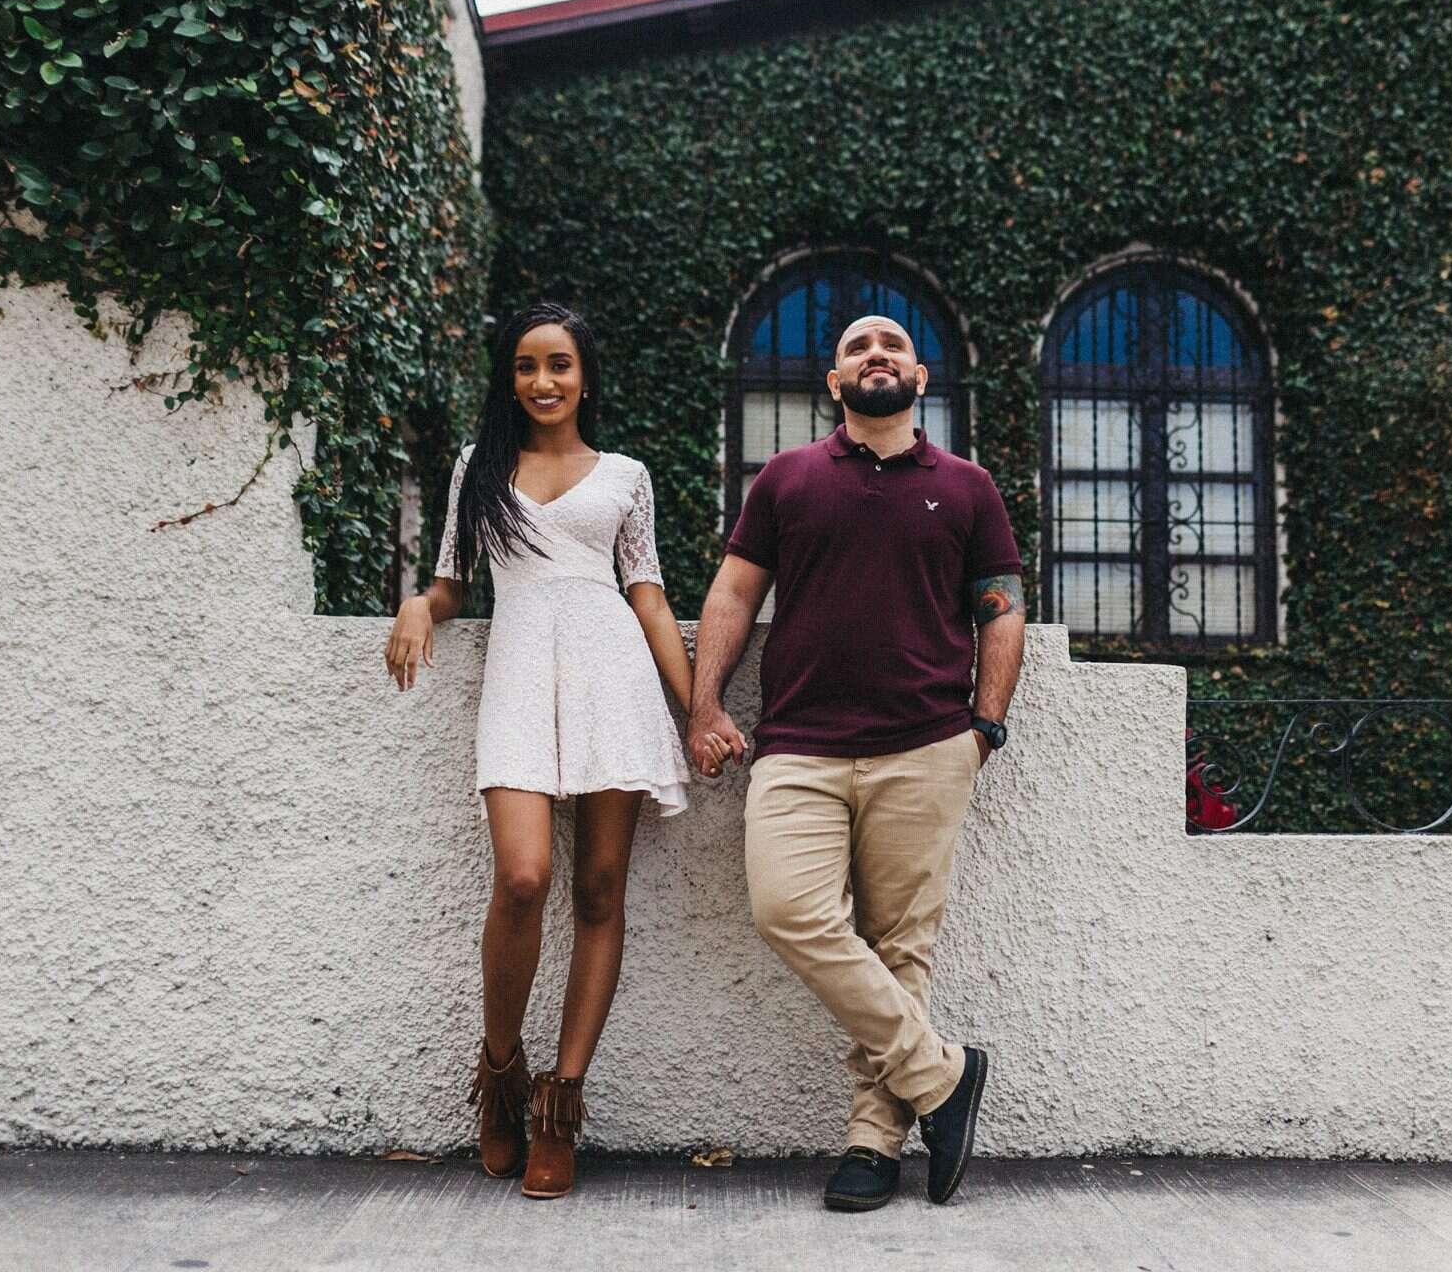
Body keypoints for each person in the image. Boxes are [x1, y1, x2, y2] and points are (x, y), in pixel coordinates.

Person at [686, 314, 1025, 1211]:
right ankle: (944, 1076)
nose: (877, 354)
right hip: (798, 744)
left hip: (926, 743)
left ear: (921, 376)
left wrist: (983, 726)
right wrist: (705, 702)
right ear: (835, 384)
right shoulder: (788, 480)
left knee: (900, 946)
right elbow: (733, 591)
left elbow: (1002, 609)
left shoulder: (967, 488)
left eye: (894, 346)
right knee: (786, 909)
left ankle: (874, 1145)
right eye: (856, 349)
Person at [384, 302, 692, 1199]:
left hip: (614, 678)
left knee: (600, 889)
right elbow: (451, 583)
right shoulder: (478, 468)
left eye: (559, 365)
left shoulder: (626, 475)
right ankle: (500, 1075)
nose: (543, 381)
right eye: (526, 366)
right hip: (519, 675)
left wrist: (697, 706)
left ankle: (562, 1102)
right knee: (523, 877)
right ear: (509, 378)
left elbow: (648, 595)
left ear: (585, 375)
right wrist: (416, 605)